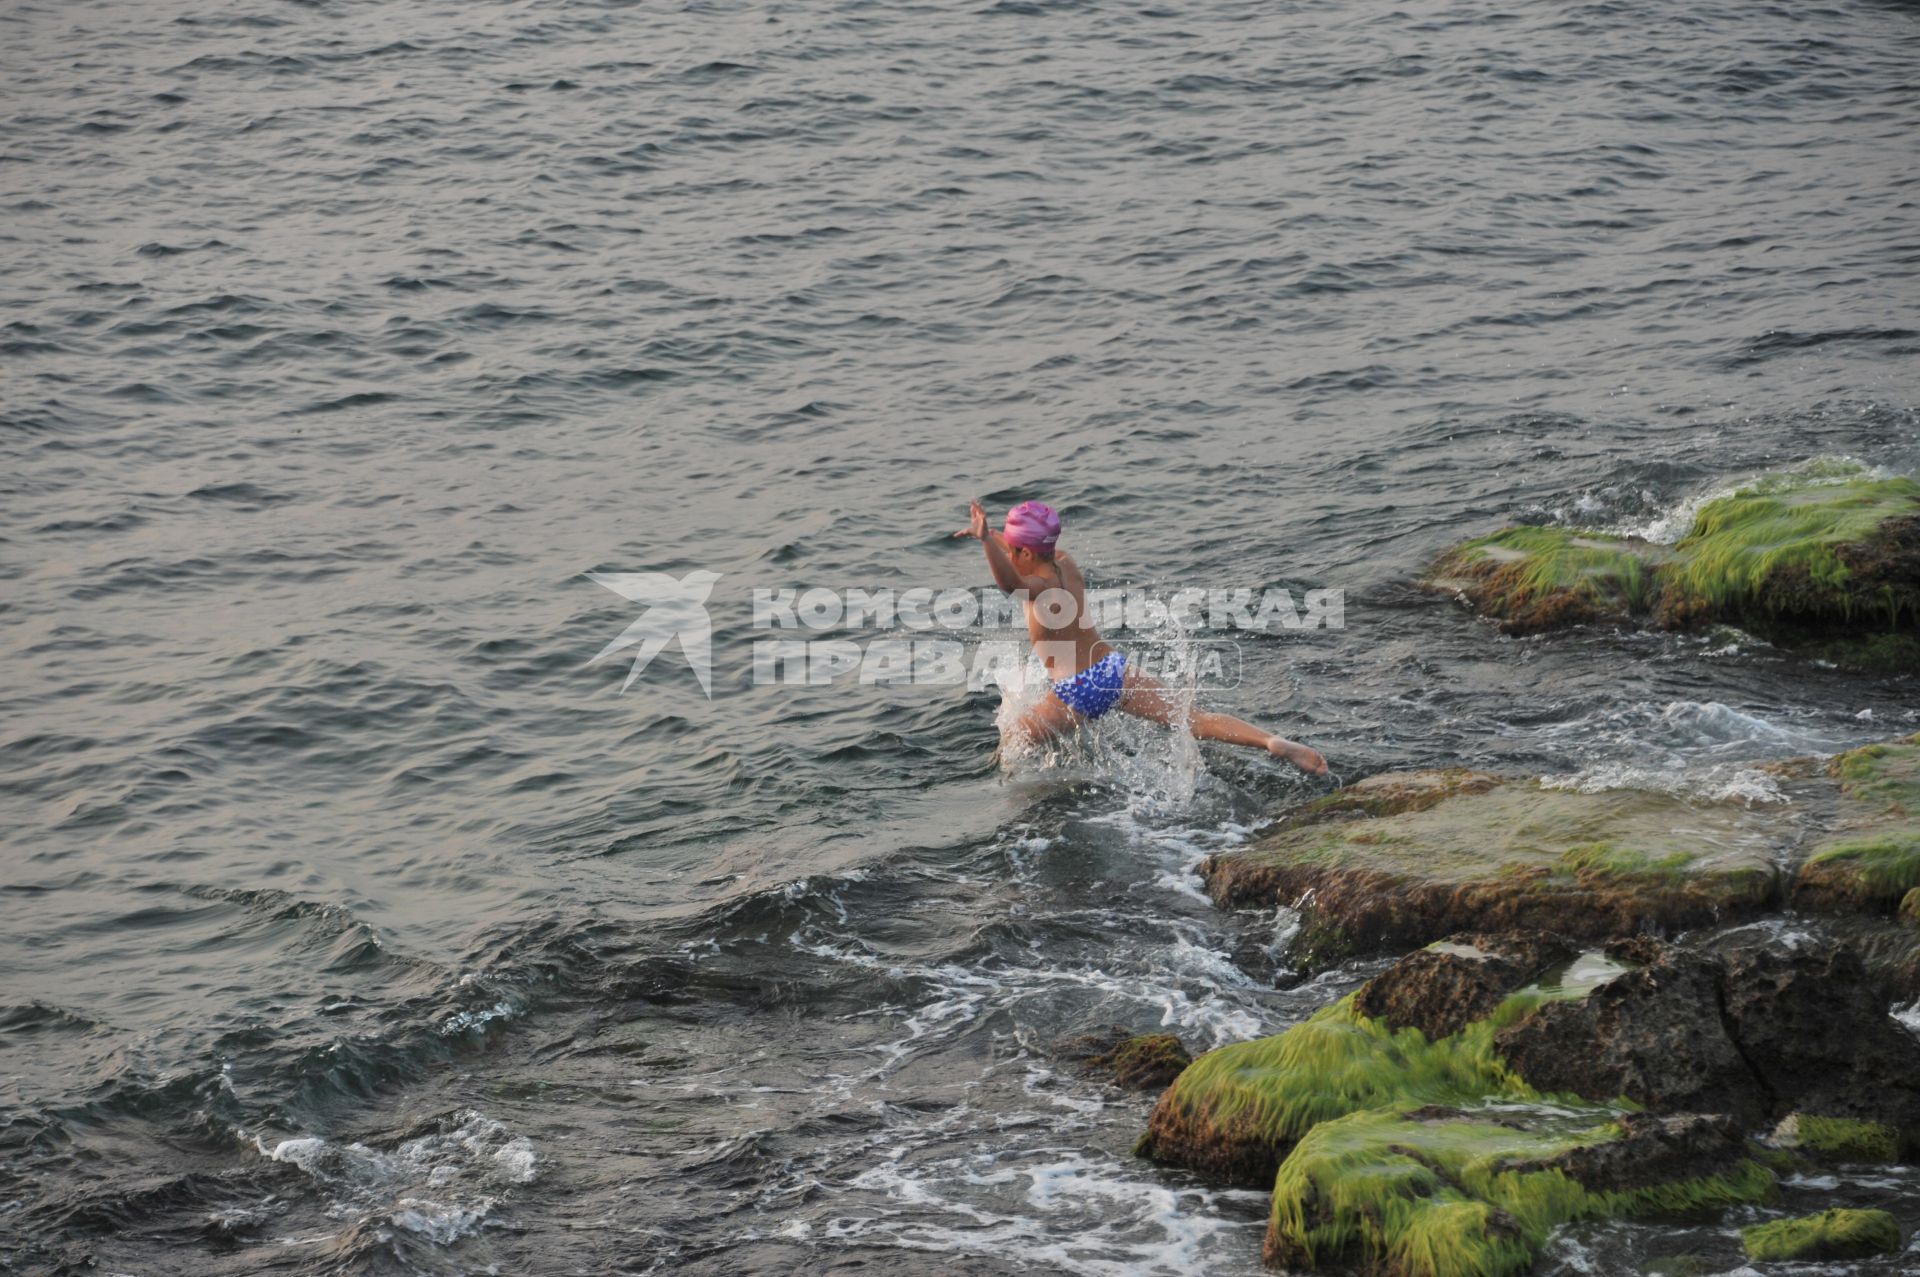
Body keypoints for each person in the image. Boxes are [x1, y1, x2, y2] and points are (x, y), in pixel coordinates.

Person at [954, 498, 1329, 774]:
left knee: (1012, 741)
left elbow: (1008, 582)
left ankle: (1029, 789)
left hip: (1074, 689)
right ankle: (1270, 741)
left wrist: (987, 540)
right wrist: (999, 539)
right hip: (1112, 669)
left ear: (1020, 552)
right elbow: (1024, 553)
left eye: (1011, 548)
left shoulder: (1038, 587)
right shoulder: (1065, 564)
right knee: (1192, 718)